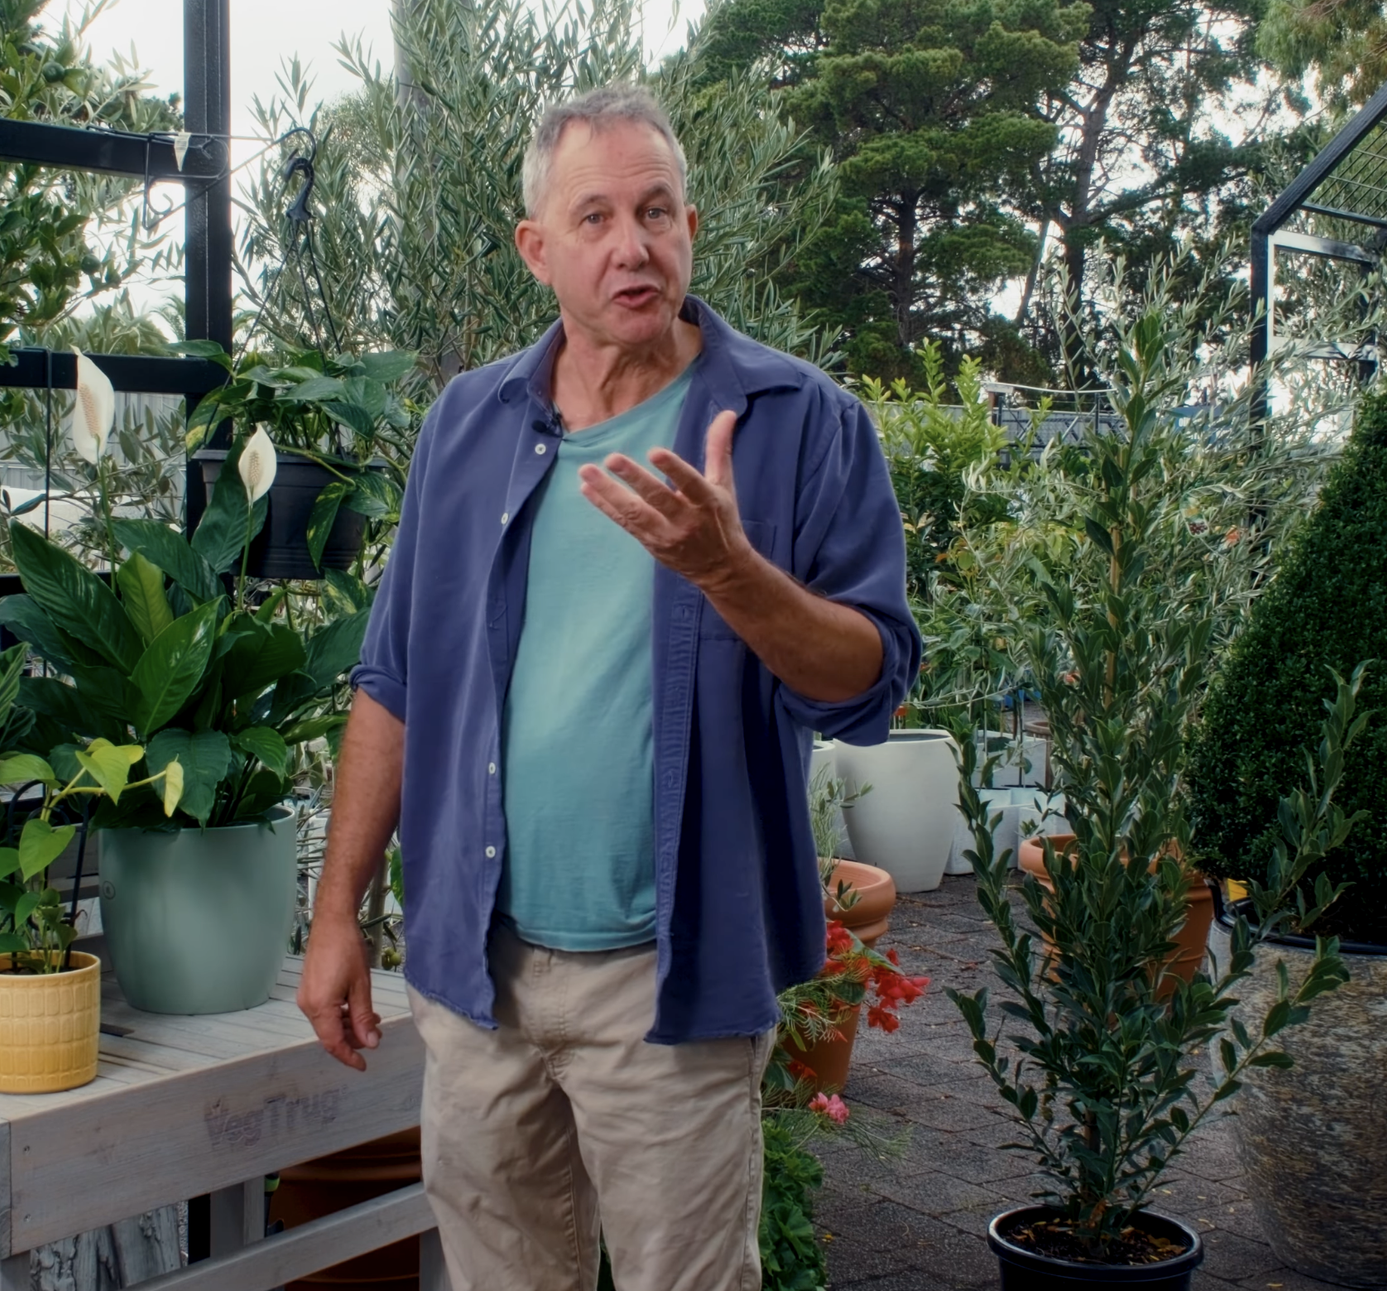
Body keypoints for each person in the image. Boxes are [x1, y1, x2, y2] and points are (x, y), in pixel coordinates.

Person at [296, 82, 920, 1291]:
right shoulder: (468, 423)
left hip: (666, 986)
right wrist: (337, 915)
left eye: (656, 211)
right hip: (479, 981)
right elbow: (394, 680)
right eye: (594, 218)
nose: (632, 245)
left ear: (690, 226)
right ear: (537, 249)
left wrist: (729, 573)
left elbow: (867, 684)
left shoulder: (800, 422)